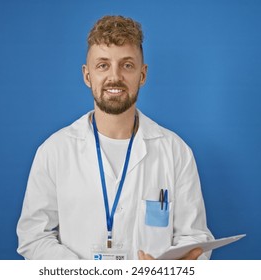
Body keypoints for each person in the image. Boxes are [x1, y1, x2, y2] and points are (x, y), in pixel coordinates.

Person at [16, 15, 214, 260]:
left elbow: (195, 238)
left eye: (127, 65)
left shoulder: (175, 152)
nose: (115, 77)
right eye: (103, 65)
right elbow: (34, 237)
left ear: (142, 75)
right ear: (87, 76)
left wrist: (174, 269)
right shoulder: (54, 151)